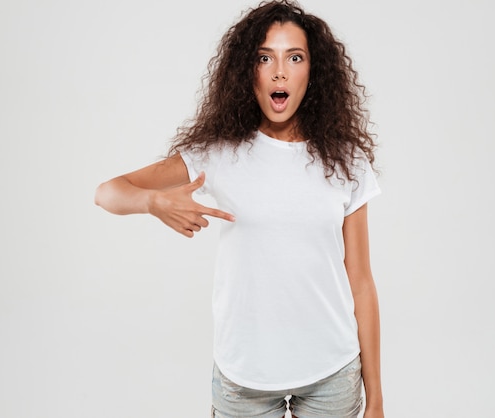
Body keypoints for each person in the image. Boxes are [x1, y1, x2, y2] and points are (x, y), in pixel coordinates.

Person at [95, 1, 384, 417]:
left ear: (313, 72)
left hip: (331, 371)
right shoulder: (218, 153)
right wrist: (153, 201)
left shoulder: (346, 160)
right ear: (246, 71)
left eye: (294, 57)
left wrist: (375, 397)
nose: (279, 71)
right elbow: (107, 192)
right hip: (244, 375)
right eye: (264, 57)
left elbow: (361, 282)